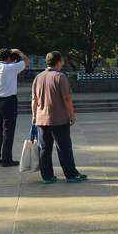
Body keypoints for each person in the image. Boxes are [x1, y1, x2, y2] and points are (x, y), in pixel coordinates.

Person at [31, 51, 87, 183]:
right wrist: (71, 115)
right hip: (59, 119)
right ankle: (71, 174)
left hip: (41, 119)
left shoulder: (38, 77)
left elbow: (34, 99)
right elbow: (67, 98)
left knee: (44, 148)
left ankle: (47, 176)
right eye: (62, 61)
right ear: (59, 61)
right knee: (64, 147)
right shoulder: (60, 77)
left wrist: (34, 116)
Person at [0, 47, 29, 166]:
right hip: (9, 101)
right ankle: (6, 159)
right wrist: (19, 52)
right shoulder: (12, 68)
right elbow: (26, 61)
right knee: (8, 130)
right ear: (9, 58)